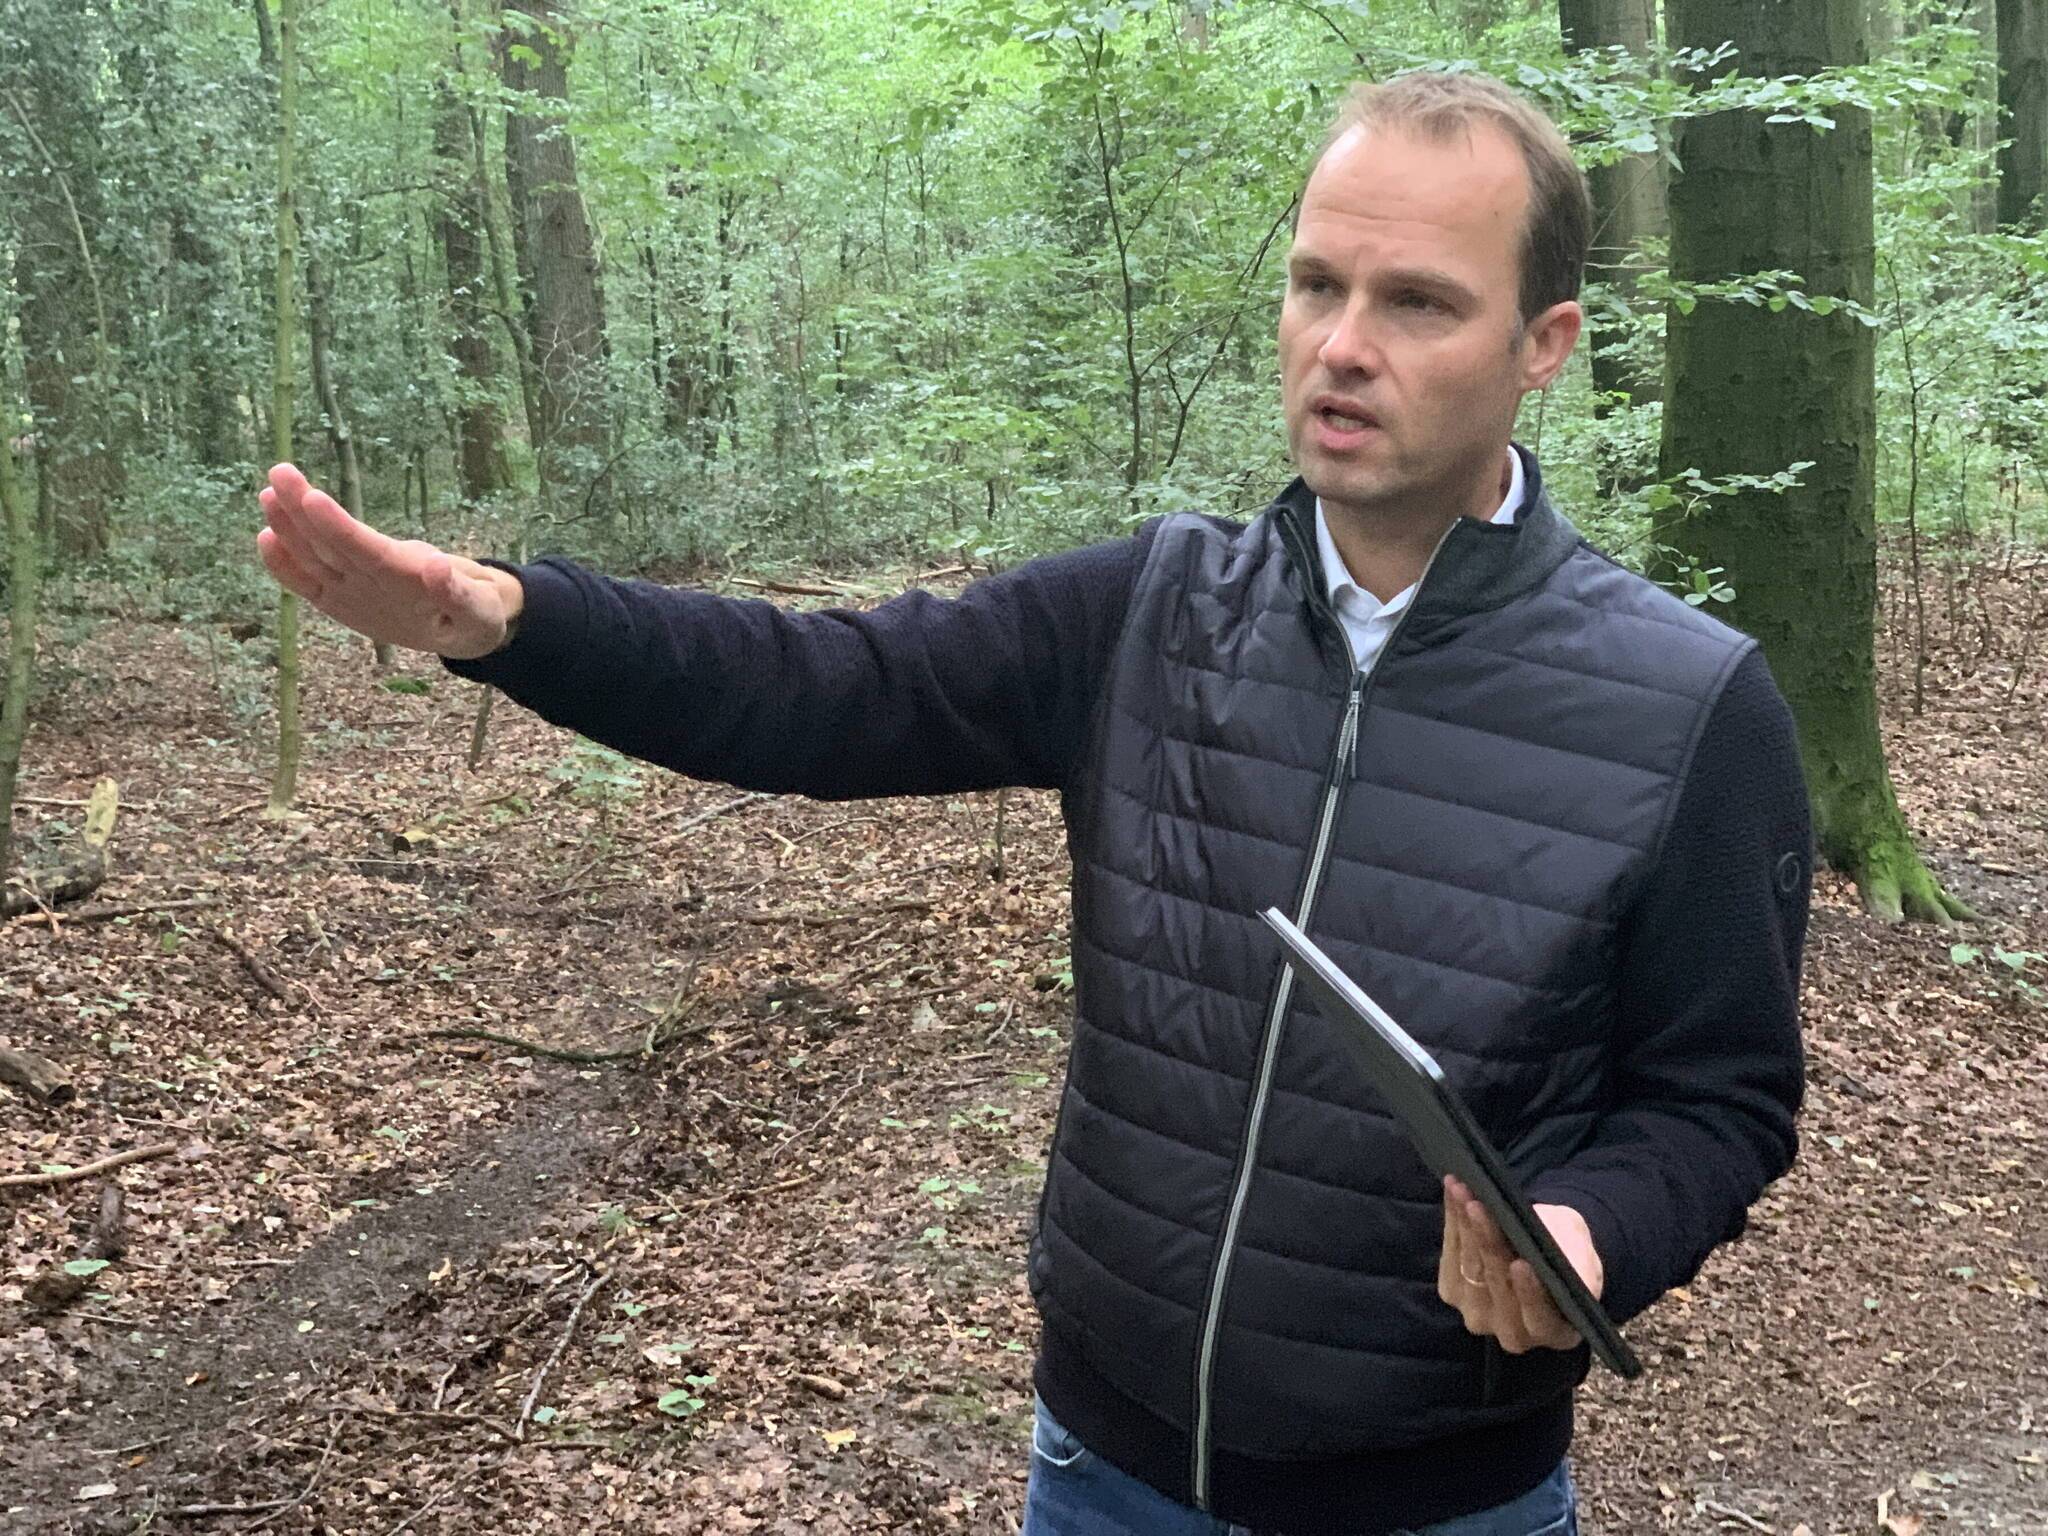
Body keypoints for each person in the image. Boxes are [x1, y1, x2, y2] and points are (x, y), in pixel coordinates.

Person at [256, 70, 1811, 1536]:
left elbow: (1718, 1097)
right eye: (1316, 283)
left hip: (1442, 1492)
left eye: (1416, 303)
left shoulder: (1687, 706)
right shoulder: (1148, 612)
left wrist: (1594, 1233)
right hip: (1104, 1471)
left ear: (1544, 343)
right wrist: (507, 619)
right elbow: (822, 689)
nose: (1341, 344)